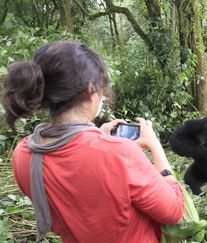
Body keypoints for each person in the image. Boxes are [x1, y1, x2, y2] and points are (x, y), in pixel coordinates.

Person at [1, 40, 184, 242]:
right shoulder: (119, 153)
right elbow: (173, 211)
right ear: (90, 89)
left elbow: (78, 189)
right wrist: (155, 146)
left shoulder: (24, 154)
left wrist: (99, 136)